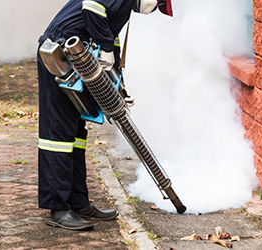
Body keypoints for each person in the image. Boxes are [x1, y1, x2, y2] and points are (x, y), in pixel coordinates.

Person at [37, 0, 173, 231]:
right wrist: (106, 48)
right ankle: (58, 208)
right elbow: (92, 7)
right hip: (59, 55)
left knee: (77, 134)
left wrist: (119, 83)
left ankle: (78, 202)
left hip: (78, 60)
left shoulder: (125, 8)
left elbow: (111, 40)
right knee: (58, 134)